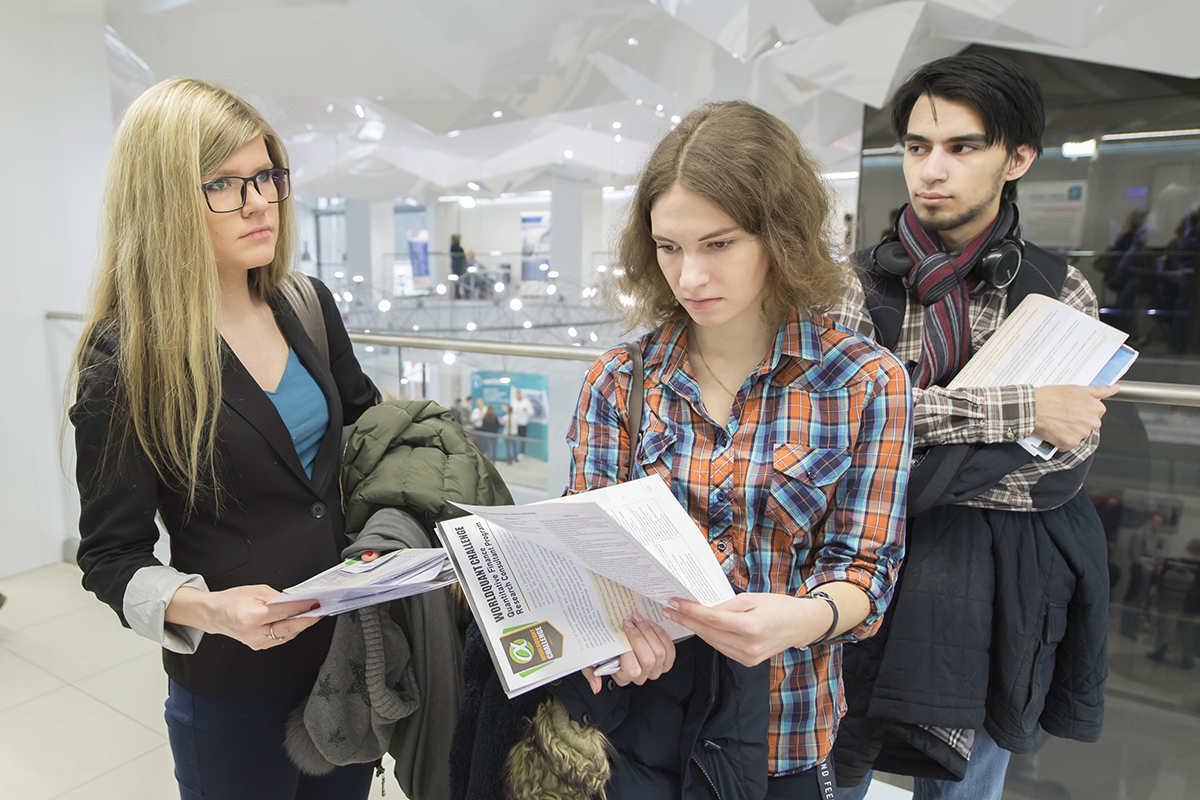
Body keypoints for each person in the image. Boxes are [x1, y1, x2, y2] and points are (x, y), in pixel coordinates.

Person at [459, 100, 910, 799]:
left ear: (780, 234)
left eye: (718, 244)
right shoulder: (621, 379)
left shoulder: (862, 383)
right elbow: (585, 559)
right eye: (670, 247)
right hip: (645, 732)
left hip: (784, 728)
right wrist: (611, 637)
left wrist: (801, 618)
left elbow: (865, 570)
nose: (690, 277)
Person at [69, 78, 380, 800]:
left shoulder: (305, 304)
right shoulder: (129, 362)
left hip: (344, 655)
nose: (259, 202)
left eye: (267, 176)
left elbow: (364, 433)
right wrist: (209, 609)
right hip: (234, 680)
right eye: (226, 184)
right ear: (165, 199)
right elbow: (110, 558)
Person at [829, 52, 1115, 800]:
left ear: (1017, 157)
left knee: (967, 785)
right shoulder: (849, 284)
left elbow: (1062, 462)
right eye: (917, 147)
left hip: (1003, 582)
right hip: (857, 562)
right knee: (830, 765)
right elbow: (846, 423)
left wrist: (909, 450)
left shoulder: (1060, 288)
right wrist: (1021, 410)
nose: (931, 170)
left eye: (962, 147)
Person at [510, 389, 533, 460]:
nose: (517, 396)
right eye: (516, 395)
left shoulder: (526, 402)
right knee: (514, 439)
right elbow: (511, 412)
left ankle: (521, 453)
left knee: (522, 439)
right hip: (515, 423)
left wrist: (526, 410)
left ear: (521, 394)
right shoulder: (513, 402)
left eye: (518, 394)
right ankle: (514, 452)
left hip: (523, 423)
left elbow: (531, 413)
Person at [450, 233, 467, 298]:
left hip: (458, 268)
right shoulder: (455, 248)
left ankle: (460, 295)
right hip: (458, 269)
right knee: (457, 283)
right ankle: (456, 296)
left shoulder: (455, 248)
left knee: (460, 283)